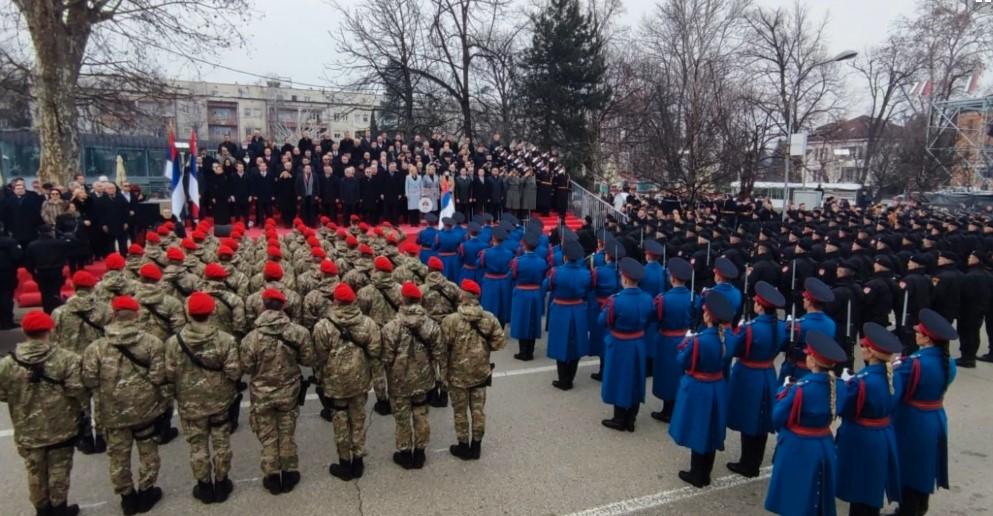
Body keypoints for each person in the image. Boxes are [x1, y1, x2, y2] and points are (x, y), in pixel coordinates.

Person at [81, 296, 167, 514]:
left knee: (118, 456)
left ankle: (127, 497)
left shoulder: (96, 347)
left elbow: (89, 380)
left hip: (112, 411)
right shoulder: (152, 342)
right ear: (136, 315)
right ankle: (147, 491)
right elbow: (158, 377)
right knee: (148, 451)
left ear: (113, 314)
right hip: (145, 409)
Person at [0, 311, 84, 516]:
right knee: (59, 469)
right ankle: (60, 507)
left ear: (24, 331)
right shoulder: (67, 358)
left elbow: (2, 394)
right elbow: (76, 390)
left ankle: (42, 509)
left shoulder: (7, 363)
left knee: (35, 471)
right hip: (61, 425)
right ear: (49, 330)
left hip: (27, 428)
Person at [164, 292, 241, 505]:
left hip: (189, 403)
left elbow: (169, 374)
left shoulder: (173, 342)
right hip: (219, 400)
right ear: (212, 311)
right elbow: (234, 372)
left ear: (188, 313)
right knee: (221, 441)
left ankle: (204, 486)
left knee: (197, 445)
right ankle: (222, 481)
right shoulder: (225, 339)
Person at [240, 288, 315, 495]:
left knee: (268, 435)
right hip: (289, 391)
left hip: (262, 394)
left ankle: (272, 475)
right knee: (287, 432)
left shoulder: (250, 338)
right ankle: (289, 472)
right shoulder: (298, 332)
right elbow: (307, 360)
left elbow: (246, 367)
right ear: (283, 306)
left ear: (263, 305)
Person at [765, 331, 847, 516]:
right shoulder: (840, 385)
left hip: (798, 447)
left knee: (795, 498)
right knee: (816, 499)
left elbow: (778, 417)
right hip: (824, 443)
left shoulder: (801, 388)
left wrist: (783, 390)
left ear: (813, 360)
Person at [312, 283, 381, 481]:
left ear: (335, 301)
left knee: (340, 421)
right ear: (354, 301)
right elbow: (375, 351)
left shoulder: (323, 326)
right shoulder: (368, 324)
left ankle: (344, 462)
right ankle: (358, 460)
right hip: (359, 380)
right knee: (358, 420)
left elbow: (321, 356)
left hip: (335, 383)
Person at [892, 309, 958, 516]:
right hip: (935, 415)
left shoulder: (915, 363)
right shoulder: (949, 362)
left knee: (910, 466)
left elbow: (895, 389)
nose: (916, 334)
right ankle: (921, 505)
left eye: (920, 332)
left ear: (927, 338)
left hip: (913, 419)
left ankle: (908, 509)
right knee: (925, 465)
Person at [835, 322, 902, 516]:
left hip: (861, 437)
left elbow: (844, 407)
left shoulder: (863, 381)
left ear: (871, 352)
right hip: (883, 433)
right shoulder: (893, 376)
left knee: (860, 491)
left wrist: (843, 385)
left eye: (864, 346)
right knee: (872, 488)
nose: (861, 348)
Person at [669, 291, 734, 487]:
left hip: (700, 387)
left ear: (708, 316)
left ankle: (697, 474)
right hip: (717, 385)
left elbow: (682, 361)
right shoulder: (728, 338)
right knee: (711, 429)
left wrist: (686, 342)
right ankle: (706, 471)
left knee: (699, 429)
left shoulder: (700, 340)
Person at [725, 281, 787, 478]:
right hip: (767, 372)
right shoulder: (781, 326)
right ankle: (754, 461)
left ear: (759, 305)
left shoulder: (752, 328)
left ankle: (747, 463)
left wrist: (730, 332)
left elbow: (734, 349)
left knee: (749, 418)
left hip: (749, 374)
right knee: (760, 419)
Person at [381, 282, 443, 469]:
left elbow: (386, 357)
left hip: (399, 380)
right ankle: (420, 453)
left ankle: (405, 453)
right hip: (424, 378)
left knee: (402, 418)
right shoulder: (431, 325)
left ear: (402, 300)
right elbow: (439, 351)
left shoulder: (391, 327)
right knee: (420, 413)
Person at [442, 280, 505, 460]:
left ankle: (463, 446)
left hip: (457, 374)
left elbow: (443, 347)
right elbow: (499, 343)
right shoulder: (489, 318)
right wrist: (482, 350)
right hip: (481, 372)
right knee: (478, 410)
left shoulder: (451, 320)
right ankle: (476, 447)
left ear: (463, 297)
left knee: (460, 412)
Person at [599, 258, 654, 432]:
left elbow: (603, 321)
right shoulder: (647, 299)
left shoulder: (616, 300)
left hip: (620, 343)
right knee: (635, 378)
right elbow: (649, 321)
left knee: (618, 378)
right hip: (638, 341)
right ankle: (631, 418)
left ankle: (619, 418)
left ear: (624, 278)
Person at [650, 257, 695, 423]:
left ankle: (668, 410)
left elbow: (653, 317)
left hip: (667, 339)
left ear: (672, 278)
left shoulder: (664, 299)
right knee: (680, 374)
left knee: (667, 375)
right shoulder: (694, 298)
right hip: (686, 338)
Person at [357, 256, 403, 416]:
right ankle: (396, 397)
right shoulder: (400, 289)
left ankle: (382, 402)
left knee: (377, 369)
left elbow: (361, 315)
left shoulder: (365, 292)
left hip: (374, 334)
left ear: (376, 270)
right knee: (395, 365)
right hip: (396, 333)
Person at [544, 240, 592, 390]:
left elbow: (547, 286)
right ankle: (570, 377)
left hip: (560, 309)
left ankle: (563, 379)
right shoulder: (586, 274)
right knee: (575, 343)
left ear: (565, 257)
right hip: (578, 309)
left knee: (560, 343)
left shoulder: (556, 272)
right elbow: (588, 291)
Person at [780, 277, 837, 383]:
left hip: (799, 370)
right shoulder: (831, 324)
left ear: (809, 302)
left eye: (805, 298)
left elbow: (783, 344)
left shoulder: (801, 325)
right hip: (821, 369)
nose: (803, 300)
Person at [510, 232, 548, 361]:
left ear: (524, 245)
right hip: (536, 293)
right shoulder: (542, 262)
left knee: (522, 321)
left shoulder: (517, 261)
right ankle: (530, 351)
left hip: (522, 293)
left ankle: (523, 351)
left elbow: (513, 276)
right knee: (532, 321)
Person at [24, 225, 68, 314]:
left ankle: (47, 312)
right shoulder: (60, 243)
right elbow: (66, 255)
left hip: (41, 271)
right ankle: (56, 311)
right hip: (56, 270)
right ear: (50, 232)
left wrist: (33, 272)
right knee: (55, 292)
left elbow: (28, 262)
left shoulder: (32, 245)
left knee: (45, 293)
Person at [478, 227, 514, 326]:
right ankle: (501, 329)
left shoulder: (486, 253)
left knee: (489, 306)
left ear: (493, 238)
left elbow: (479, 264)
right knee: (502, 306)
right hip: (504, 281)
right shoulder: (509, 253)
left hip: (490, 281)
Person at [96, 183, 130, 253]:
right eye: (109, 188)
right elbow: (100, 214)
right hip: (109, 225)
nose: (112, 190)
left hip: (121, 224)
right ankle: (112, 257)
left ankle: (123, 256)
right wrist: (103, 224)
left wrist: (126, 222)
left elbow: (126, 211)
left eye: (113, 188)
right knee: (110, 243)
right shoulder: (101, 200)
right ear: (105, 190)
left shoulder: (121, 197)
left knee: (123, 242)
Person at [0, 229, 22, 329]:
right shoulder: (10, 242)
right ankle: (7, 321)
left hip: (7, 271)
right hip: (7, 272)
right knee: (6, 297)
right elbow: (17, 257)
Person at [250, 161, 276, 226]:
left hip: (268, 195)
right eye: (261, 166)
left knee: (269, 210)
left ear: (266, 167)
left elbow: (273, 185)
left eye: (264, 166)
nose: (263, 167)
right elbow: (253, 186)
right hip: (259, 196)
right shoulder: (255, 175)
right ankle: (261, 223)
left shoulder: (270, 175)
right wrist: (254, 195)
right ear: (259, 167)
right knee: (260, 211)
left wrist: (273, 195)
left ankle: (270, 223)